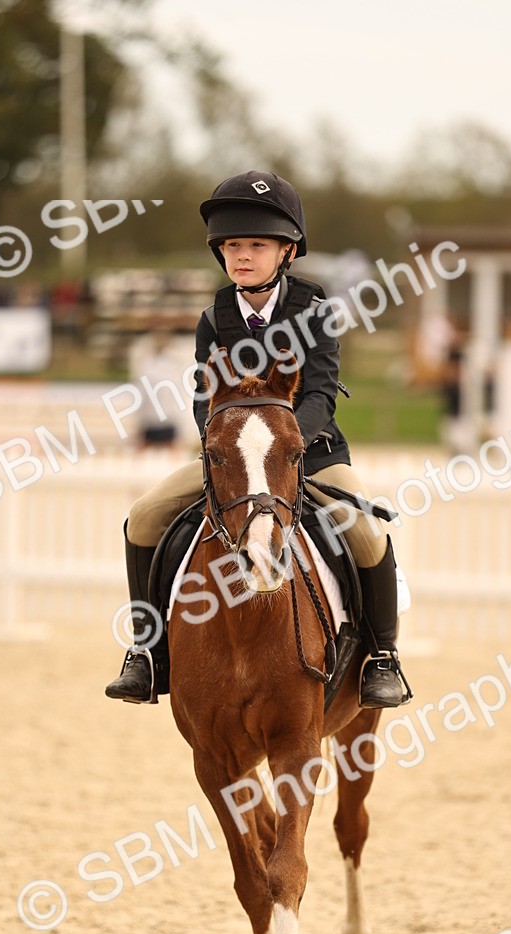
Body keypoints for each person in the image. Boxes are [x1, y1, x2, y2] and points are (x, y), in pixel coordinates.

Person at [105, 170, 410, 708]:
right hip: (234, 459)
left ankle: (382, 657)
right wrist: (220, 442)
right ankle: (147, 651)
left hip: (311, 454)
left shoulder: (315, 311)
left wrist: (284, 444)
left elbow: (320, 394)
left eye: (256, 245)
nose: (242, 256)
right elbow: (205, 396)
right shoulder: (213, 318)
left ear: (287, 251)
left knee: (367, 532)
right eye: (232, 246)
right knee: (144, 517)